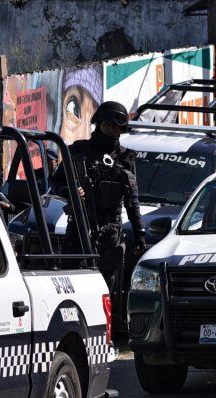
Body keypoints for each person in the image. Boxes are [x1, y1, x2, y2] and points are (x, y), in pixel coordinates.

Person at [52, 101, 146, 291]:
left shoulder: (125, 158)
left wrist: (139, 234)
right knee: (73, 283)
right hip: (80, 227)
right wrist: (70, 191)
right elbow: (56, 182)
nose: (114, 129)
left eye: (118, 126)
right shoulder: (78, 151)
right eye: (110, 124)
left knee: (105, 287)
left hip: (111, 231)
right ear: (100, 122)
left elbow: (132, 201)